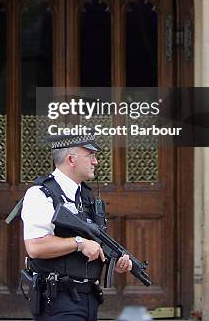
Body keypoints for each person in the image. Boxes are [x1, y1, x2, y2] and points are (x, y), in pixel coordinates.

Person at [21, 133, 132, 320]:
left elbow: (95, 244)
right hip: (58, 300)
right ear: (71, 159)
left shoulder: (87, 197)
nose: (95, 162)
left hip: (89, 298)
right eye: (90, 156)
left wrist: (114, 262)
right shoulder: (40, 194)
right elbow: (35, 247)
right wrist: (79, 243)